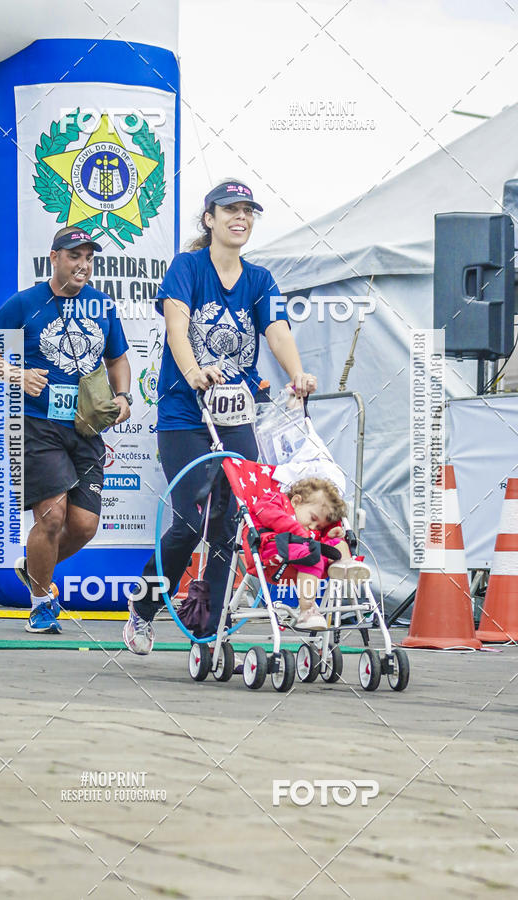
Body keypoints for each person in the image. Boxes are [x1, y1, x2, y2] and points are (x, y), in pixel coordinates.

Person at [123, 179, 318, 655]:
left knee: (229, 525)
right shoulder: (187, 267)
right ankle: (144, 609)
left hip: (236, 416)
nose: (241, 217)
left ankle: (207, 629)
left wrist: (297, 375)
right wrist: (192, 371)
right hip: (185, 413)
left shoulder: (260, 279)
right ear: (209, 219)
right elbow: (176, 325)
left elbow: (276, 331)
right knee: (189, 522)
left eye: (248, 211)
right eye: (231, 209)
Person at [0, 227, 131, 633]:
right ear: (54, 258)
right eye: (74, 256)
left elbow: (118, 360)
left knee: (83, 526)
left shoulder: (101, 305)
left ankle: (35, 565)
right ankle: (42, 603)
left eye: (89, 258)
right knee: (51, 517)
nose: (82, 265)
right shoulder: (25, 303)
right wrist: (18, 374)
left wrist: (125, 397)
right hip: (37, 425)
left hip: (86, 427)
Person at [250, 476, 369, 629]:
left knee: (337, 543)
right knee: (312, 556)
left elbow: (312, 540)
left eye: (318, 526)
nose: (313, 526)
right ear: (296, 501)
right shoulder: (276, 500)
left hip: (304, 554)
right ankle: (307, 610)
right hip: (276, 549)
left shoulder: (309, 531)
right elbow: (268, 513)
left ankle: (345, 564)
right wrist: (300, 532)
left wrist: (328, 536)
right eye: (312, 518)